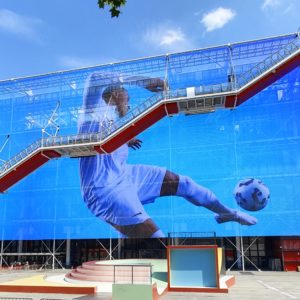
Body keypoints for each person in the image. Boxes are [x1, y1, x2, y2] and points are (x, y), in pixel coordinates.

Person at [78, 73, 257, 238]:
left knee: (183, 183)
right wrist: (145, 81)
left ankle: (227, 213)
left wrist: (125, 140)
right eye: (127, 98)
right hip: (103, 189)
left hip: (125, 175)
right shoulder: (93, 110)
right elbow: (95, 78)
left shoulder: (114, 122)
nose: (129, 104)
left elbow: (109, 142)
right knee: (154, 237)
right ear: (117, 94)